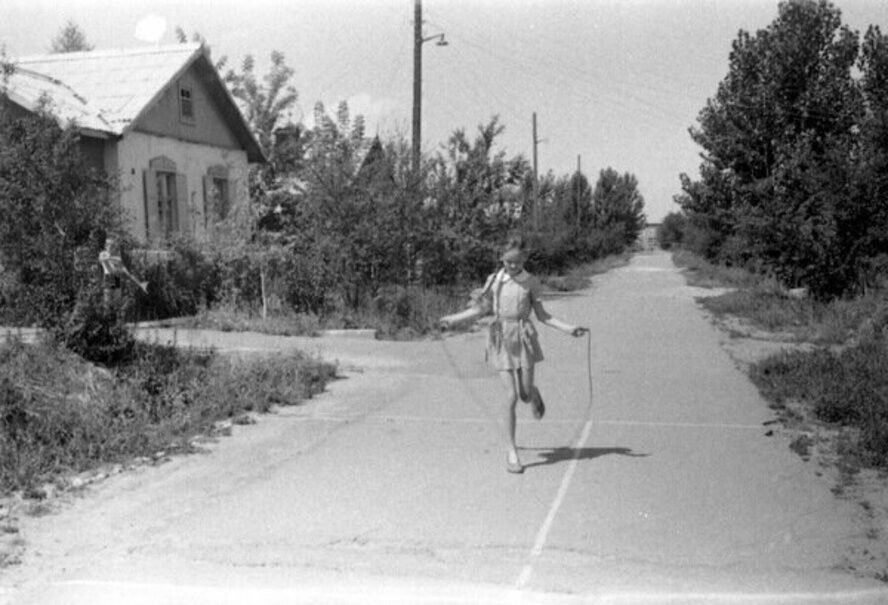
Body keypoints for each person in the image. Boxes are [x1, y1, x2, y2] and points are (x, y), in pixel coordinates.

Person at [440, 237, 588, 474]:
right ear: (502, 258)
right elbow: (480, 309)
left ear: (524, 259)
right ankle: (512, 451)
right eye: (508, 261)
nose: (512, 266)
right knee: (511, 396)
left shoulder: (531, 282)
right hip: (501, 337)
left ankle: (533, 393)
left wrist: (569, 329)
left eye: (517, 262)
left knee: (525, 395)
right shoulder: (494, 281)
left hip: (523, 336)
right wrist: (453, 319)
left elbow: (543, 316)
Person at [99, 236, 148, 305]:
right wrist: (115, 259)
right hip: (108, 277)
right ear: (105, 246)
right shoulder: (103, 254)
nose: (110, 246)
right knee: (107, 301)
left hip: (116, 278)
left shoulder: (117, 257)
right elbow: (103, 259)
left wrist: (137, 281)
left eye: (112, 245)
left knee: (117, 301)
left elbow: (124, 269)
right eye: (108, 244)